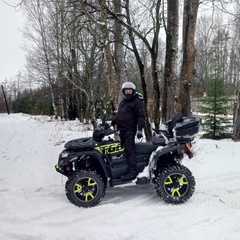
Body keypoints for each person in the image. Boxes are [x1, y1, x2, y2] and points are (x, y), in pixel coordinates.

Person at [112, 82, 145, 180]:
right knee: (123, 149)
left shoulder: (136, 102)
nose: (128, 93)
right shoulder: (123, 102)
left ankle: (132, 171)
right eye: (126, 91)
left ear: (133, 92)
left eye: (130, 91)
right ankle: (123, 168)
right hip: (122, 129)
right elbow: (119, 115)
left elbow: (141, 116)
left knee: (130, 150)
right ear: (123, 92)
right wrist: (112, 122)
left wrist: (139, 130)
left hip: (130, 130)